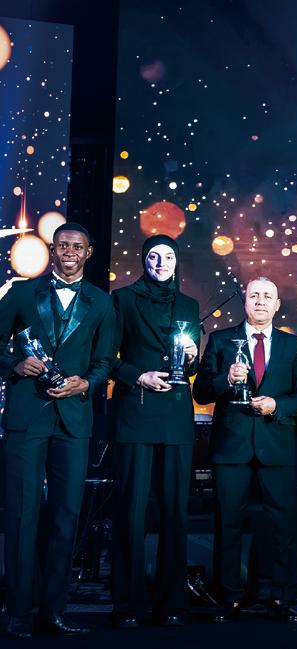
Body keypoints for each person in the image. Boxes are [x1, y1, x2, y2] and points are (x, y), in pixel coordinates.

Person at [0, 223, 115, 639]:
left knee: (66, 516)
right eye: (62, 245)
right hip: (26, 416)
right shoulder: (22, 293)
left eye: (77, 247)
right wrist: (15, 364)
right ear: (53, 249)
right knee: (21, 513)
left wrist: (86, 383)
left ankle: (54, 611)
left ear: (88, 253)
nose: (69, 252)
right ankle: (17, 612)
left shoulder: (102, 303)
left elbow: (104, 361)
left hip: (73, 419)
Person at [192, 277, 297, 623]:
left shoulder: (292, 344)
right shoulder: (220, 340)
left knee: (284, 524)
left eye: (267, 296)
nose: (260, 301)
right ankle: (229, 597)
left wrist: (277, 405)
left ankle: (283, 596)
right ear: (244, 302)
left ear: (277, 305)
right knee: (228, 523)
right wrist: (226, 380)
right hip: (232, 446)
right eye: (254, 295)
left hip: (277, 445)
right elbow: (201, 392)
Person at [108, 235, 201, 628]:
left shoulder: (189, 305)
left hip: (175, 417)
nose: (161, 263)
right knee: (130, 512)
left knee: (175, 513)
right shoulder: (122, 299)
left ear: (177, 262)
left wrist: (192, 358)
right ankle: (127, 605)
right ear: (143, 260)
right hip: (136, 412)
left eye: (168, 257)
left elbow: (190, 366)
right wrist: (137, 375)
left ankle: (172, 603)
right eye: (153, 256)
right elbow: (106, 357)